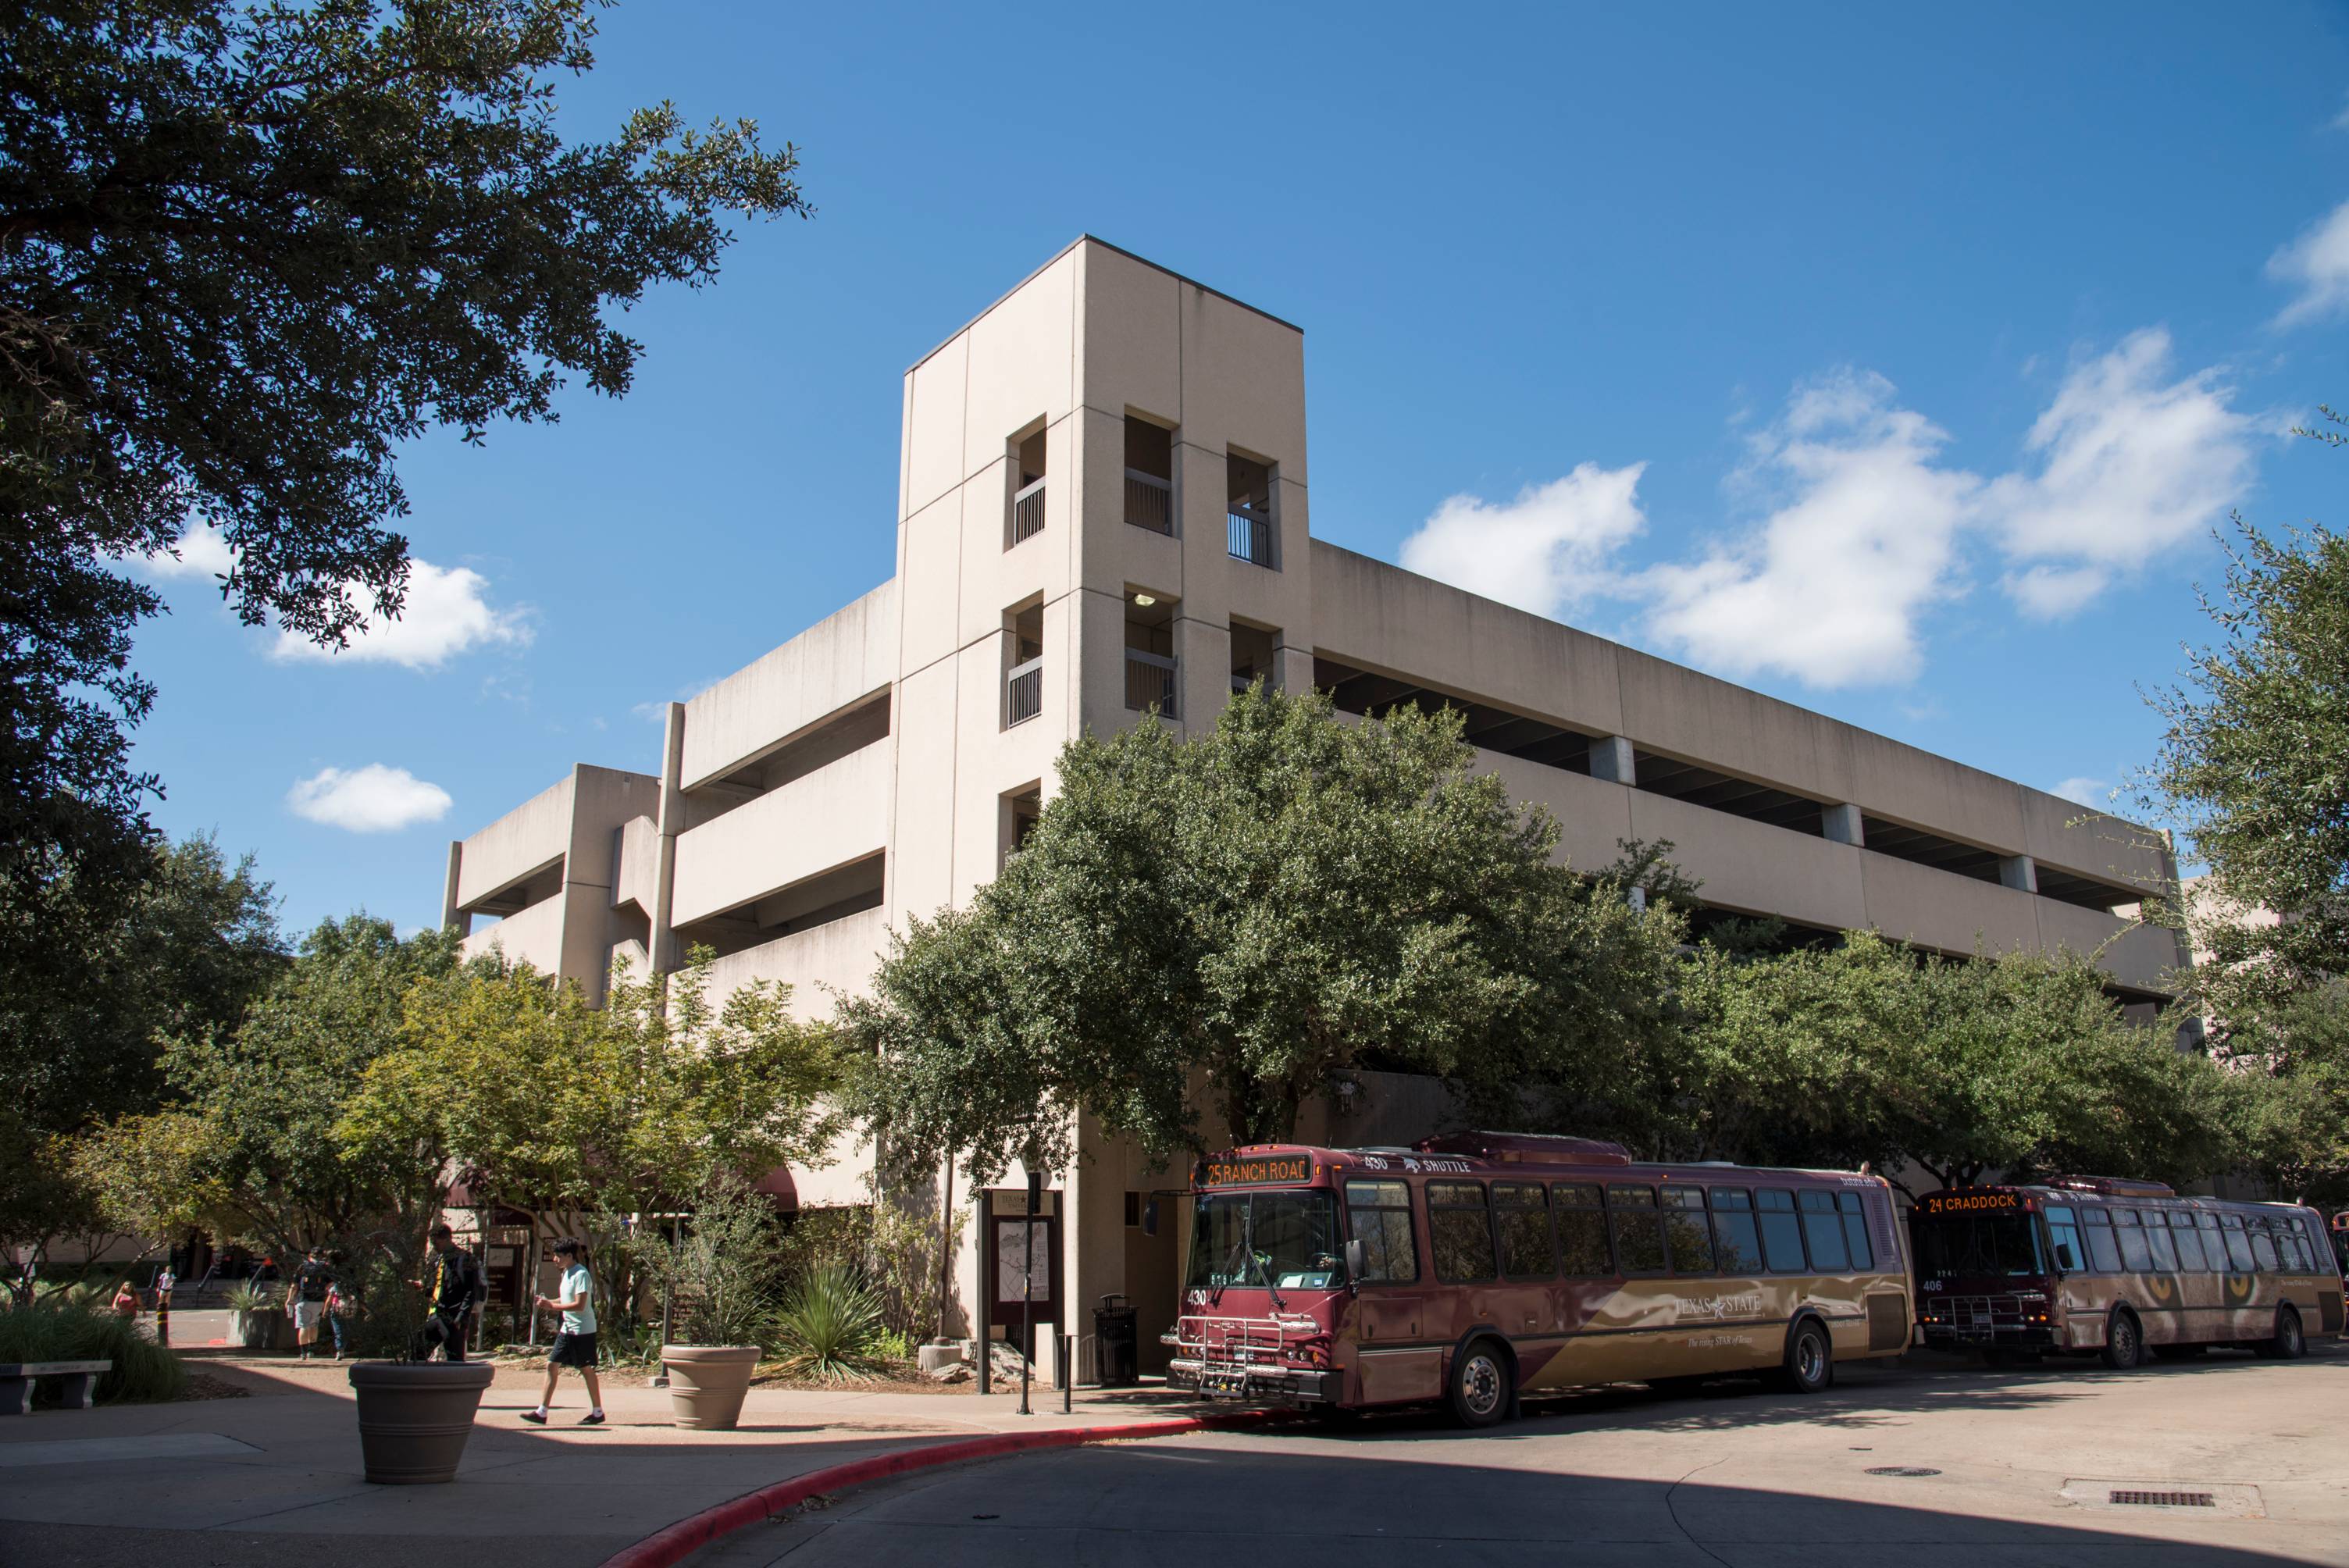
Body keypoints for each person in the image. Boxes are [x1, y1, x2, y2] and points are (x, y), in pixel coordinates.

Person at [520, 1238, 604, 1427]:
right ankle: (542, 1412)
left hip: (582, 1330)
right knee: (552, 1365)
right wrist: (549, 1301)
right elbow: (566, 1298)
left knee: (586, 1369)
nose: (555, 1260)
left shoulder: (581, 1274)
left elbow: (580, 1305)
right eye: (554, 1256)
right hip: (568, 1329)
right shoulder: (566, 1273)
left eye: (558, 1256)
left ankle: (598, 1411)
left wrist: (552, 1307)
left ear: (569, 1256)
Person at [415, 1223, 482, 1362]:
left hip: (454, 1317)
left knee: (454, 1359)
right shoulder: (439, 1260)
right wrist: (424, 1287)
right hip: (437, 1315)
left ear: (447, 1239)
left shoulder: (466, 1259)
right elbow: (438, 1287)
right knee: (419, 1351)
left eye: (436, 1242)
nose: (434, 1246)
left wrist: (461, 1317)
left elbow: (471, 1290)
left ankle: (457, 1383)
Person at [287, 1248, 334, 1362]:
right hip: (319, 1301)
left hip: (303, 1300)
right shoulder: (324, 1267)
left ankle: (303, 1353)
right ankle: (311, 1350)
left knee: (303, 1326)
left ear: (310, 1255)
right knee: (314, 1325)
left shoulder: (303, 1267)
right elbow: (331, 1283)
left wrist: (290, 1299)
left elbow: (294, 1285)